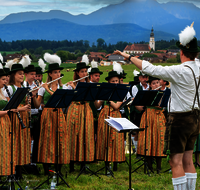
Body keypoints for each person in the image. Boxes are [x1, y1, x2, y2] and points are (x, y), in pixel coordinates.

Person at [114, 22, 200, 190]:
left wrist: (128, 57)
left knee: (175, 161)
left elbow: (150, 68)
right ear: (195, 53)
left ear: (181, 52)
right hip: (196, 117)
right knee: (188, 160)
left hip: (180, 119)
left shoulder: (180, 71)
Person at [33, 53, 70, 176]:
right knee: (47, 140)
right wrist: (34, 95)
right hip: (47, 115)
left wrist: (48, 89)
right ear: (50, 74)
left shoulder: (63, 87)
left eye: (59, 72)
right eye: (55, 72)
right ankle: (47, 169)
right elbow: (38, 104)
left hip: (59, 114)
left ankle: (58, 169)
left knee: (60, 140)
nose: (58, 74)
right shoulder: (43, 88)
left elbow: (62, 102)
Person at [66, 60, 95, 172]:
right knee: (73, 136)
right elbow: (69, 99)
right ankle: (72, 165)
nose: (84, 74)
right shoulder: (71, 85)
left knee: (86, 136)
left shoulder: (90, 85)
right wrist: (73, 87)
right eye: (82, 72)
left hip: (86, 110)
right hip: (74, 110)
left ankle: (84, 164)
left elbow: (88, 98)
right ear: (77, 73)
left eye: (85, 71)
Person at [4, 61, 31, 180]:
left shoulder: (23, 87)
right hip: (13, 118)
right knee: (14, 144)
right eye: (20, 74)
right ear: (14, 75)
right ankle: (12, 171)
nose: (22, 76)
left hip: (23, 117)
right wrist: (22, 108)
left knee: (22, 144)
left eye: (23, 74)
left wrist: (28, 104)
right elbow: (8, 106)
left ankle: (20, 172)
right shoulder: (9, 88)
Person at [95, 71, 125, 171]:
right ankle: (106, 163)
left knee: (116, 139)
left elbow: (117, 106)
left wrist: (108, 99)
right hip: (105, 115)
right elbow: (97, 106)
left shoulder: (121, 91)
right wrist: (96, 97)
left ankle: (115, 163)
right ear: (109, 82)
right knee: (105, 137)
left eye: (117, 80)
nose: (115, 82)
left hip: (115, 116)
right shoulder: (104, 91)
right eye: (113, 81)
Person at [137, 76, 166, 174]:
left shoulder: (163, 94)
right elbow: (139, 106)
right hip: (148, 117)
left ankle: (158, 167)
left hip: (159, 117)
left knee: (159, 140)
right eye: (153, 83)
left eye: (157, 82)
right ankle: (149, 166)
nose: (156, 85)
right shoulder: (147, 93)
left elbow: (161, 105)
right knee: (148, 140)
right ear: (150, 85)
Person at [0, 66, 18, 176]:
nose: (5, 81)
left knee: (4, 148)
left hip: (5, 123)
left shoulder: (3, 91)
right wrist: (8, 111)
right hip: (1, 121)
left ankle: (4, 172)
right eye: (2, 79)